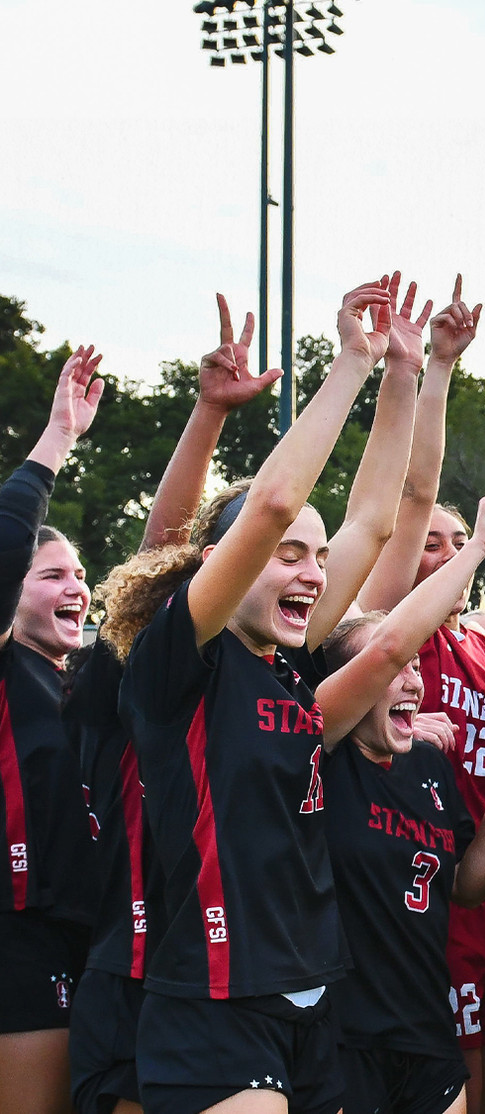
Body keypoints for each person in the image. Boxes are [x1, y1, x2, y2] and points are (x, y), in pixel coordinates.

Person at [103, 275, 395, 1114]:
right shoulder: (179, 665)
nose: (312, 569)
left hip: (312, 997)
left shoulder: (285, 666)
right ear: (221, 566)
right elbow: (269, 502)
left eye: (316, 554)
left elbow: (373, 523)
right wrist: (347, 363)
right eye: (286, 553)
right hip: (213, 1008)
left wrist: (404, 371)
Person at [68, 295, 282, 1114]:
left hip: (233, 980)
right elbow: (165, 555)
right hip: (133, 966)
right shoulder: (145, 659)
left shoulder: (274, 673)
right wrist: (207, 415)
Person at [316, 490, 485, 1114]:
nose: (410, 677)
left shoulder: (431, 765)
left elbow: (465, 883)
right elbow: (408, 497)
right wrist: (477, 546)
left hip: (424, 1015)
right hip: (346, 1029)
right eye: (392, 667)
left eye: (414, 667)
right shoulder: (319, 759)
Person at [0, 345, 105, 1114]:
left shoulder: (88, 678)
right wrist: (57, 441)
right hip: (20, 936)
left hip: (95, 938)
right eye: (51, 575)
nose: (77, 586)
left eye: (79, 574)